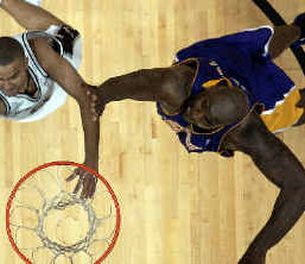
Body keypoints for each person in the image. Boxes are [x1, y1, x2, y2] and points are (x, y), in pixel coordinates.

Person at [93, 14, 305, 264]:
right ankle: (300, 28)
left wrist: (257, 251)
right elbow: (121, 86)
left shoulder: (246, 131)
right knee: (269, 40)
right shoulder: (174, 85)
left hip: (259, 89)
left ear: (224, 128)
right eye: (204, 103)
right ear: (211, 88)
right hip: (228, 56)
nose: (195, 112)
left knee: (298, 109)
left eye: (206, 118)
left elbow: (298, 186)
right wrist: (100, 96)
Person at [0, 0, 99, 199]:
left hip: (58, 67)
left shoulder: (42, 53)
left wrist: (91, 161)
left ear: (26, 63)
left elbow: (86, 99)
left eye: (13, 76)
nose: (6, 85)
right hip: (25, 111)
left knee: (67, 34)